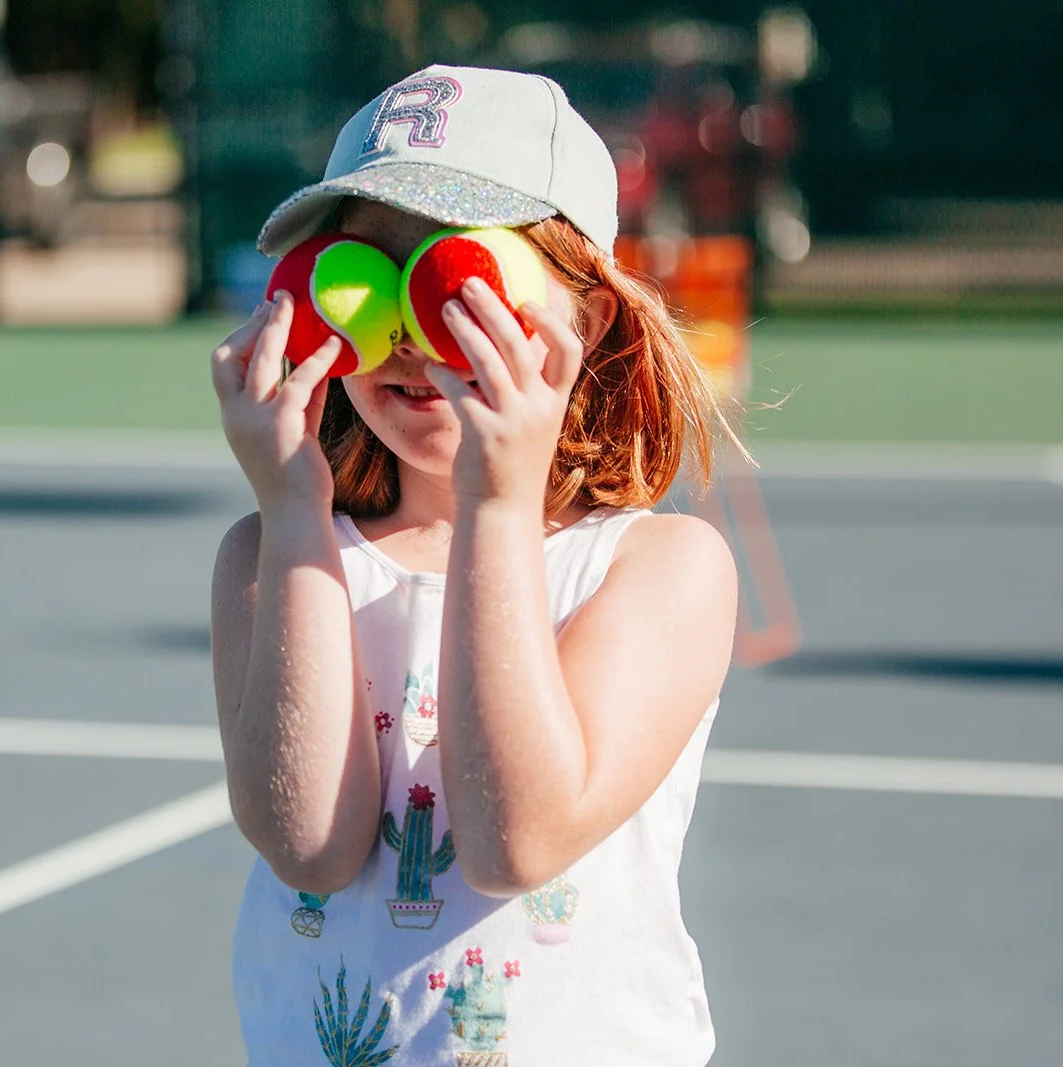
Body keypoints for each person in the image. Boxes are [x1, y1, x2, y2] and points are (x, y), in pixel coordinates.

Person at [209, 64, 738, 1066]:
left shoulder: (660, 567)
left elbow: (517, 840)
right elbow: (309, 844)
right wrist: (290, 513)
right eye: (364, 277)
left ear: (586, 315)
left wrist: (497, 500)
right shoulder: (274, 551)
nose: (410, 335)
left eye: (460, 284)